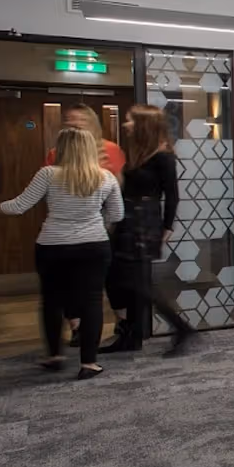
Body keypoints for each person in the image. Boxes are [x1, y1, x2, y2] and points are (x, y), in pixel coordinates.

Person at [0, 127, 123, 379]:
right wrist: (96, 224)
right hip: (94, 246)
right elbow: (117, 214)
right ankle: (89, 363)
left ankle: (54, 356)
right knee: (92, 301)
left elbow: (18, 206)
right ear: (89, 149)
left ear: (61, 149)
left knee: (52, 300)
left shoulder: (48, 174)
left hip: (53, 246)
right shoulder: (105, 177)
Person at [100, 105, 196, 356]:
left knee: (137, 283)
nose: (126, 124)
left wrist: (167, 227)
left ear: (144, 124)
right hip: (127, 219)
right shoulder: (138, 153)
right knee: (122, 280)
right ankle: (131, 336)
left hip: (143, 221)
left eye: (130, 120)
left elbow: (172, 195)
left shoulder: (163, 156)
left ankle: (181, 328)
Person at [44, 104, 125, 342]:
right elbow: (48, 190)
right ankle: (77, 328)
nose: (75, 124)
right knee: (69, 281)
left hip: (103, 225)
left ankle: (121, 324)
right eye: (70, 120)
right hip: (66, 228)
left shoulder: (110, 150)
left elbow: (119, 190)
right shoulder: (55, 153)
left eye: (80, 120)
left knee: (108, 280)